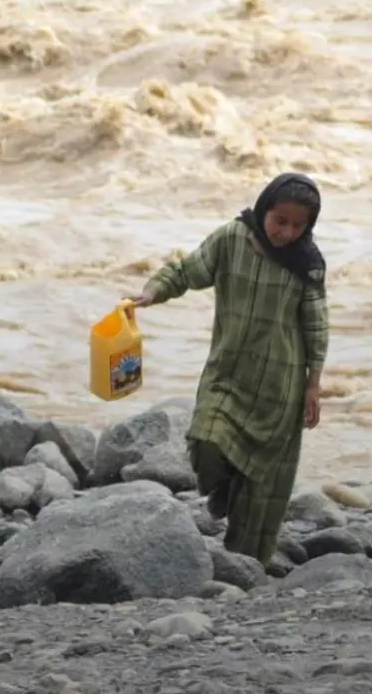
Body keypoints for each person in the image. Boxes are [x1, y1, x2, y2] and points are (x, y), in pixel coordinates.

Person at [130, 173, 329, 568]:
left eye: (298, 225)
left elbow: (316, 326)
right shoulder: (231, 239)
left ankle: (246, 570)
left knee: (262, 490)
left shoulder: (308, 264)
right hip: (227, 374)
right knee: (205, 441)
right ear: (264, 208)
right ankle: (222, 488)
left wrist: (313, 385)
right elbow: (187, 271)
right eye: (280, 220)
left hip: (279, 388)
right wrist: (153, 292)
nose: (287, 232)